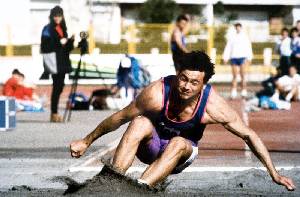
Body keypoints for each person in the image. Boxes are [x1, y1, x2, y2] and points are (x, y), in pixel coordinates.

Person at [70, 51, 295, 191]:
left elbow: (248, 135)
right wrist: (86, 141)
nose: (186, 86)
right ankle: (111, 184)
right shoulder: (157, 93)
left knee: (178, 142)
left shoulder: (212, 105)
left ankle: (139, 190)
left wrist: (273, 173)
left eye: (194, 83)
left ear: (204, 84)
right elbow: (120, 117)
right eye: (183, 78)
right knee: (138, 121)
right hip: (152, 145)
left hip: (181, 153)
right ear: (178, 74)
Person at [41, 6, 74, 122]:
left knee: (60, 87)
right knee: (56, 87)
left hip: (63, 62)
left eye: (59, 15)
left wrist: (71, 41)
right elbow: (44, 46)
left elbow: (67, 48)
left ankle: (54, 113)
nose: (57, 18)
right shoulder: (47, 29)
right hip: (55, 62)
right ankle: (54, 113)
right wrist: (59, 42)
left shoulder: (63, 28)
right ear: (51, 16)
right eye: (55, 15)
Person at [223, 23, 253, 99]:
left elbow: (248, 47)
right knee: (234, 75)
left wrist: (250, 57)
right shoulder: (232, 37)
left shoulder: (245, 37)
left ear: (241, 28)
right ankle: (233, 92)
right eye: (237, 27)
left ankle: (244, 91)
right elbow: (228, 47)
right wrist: (225, 57)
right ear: (235, 28)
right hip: (234, 57)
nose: (238, 28)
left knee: (242, 75)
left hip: (242, 57)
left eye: (239, 27)